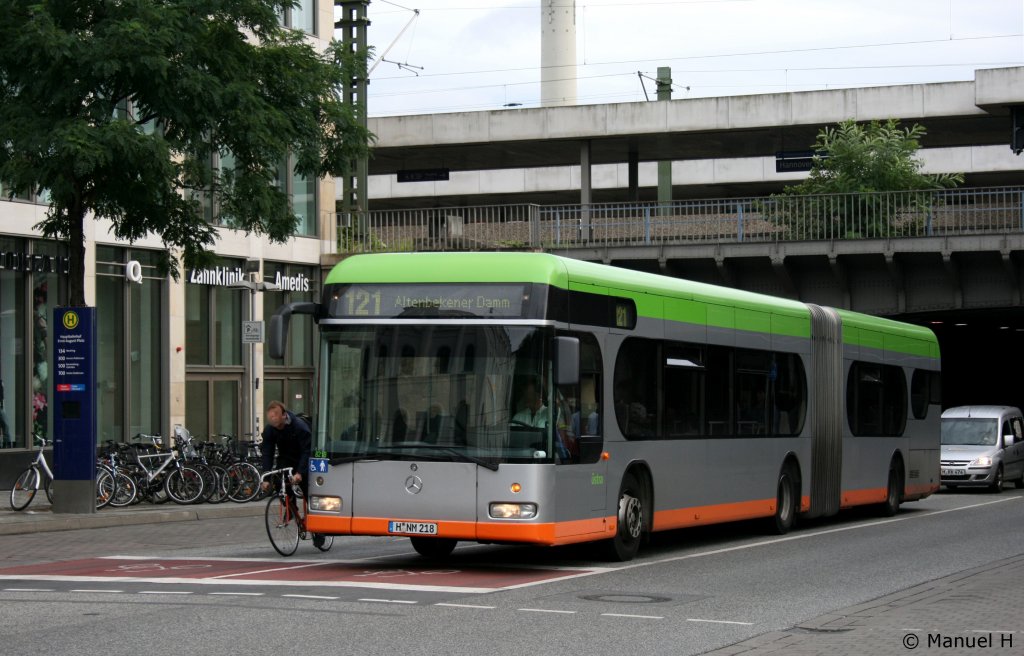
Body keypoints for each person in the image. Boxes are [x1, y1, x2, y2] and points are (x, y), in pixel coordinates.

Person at [259, 401, 323, 548]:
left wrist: (300, 472)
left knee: (309, 491)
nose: (273, 420)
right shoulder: (270, 430)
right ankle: (291, 507)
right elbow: (267, 452)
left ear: (283, 415)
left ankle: (318, 530)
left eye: (275, 416)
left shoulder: (299, 426)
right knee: (278, 481)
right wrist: (266, 477)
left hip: (303, 456)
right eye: (270, 417)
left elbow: (307, 450)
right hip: (286, 458)